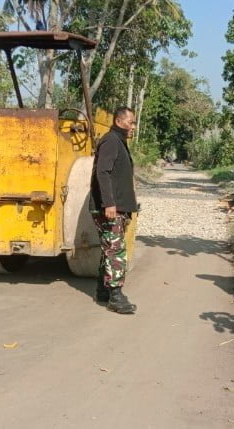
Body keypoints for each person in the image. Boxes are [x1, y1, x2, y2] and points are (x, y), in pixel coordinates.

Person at [89, 107, 138, 314]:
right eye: (131, 122)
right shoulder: (111, 140)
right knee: (116, 250)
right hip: (110, 209)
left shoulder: (119, 142)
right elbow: (103, 171)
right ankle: (116, 296)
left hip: (117, 208)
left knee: (109, 248)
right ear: (119, 121)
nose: (133, 127)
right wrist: (109, 203)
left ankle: (103, 290)